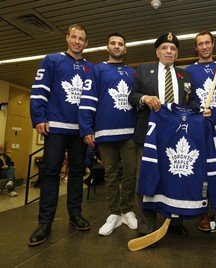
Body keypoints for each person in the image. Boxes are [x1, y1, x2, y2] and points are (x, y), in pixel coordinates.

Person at [128, 32, 210, 239]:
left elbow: (191, 103)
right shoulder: (144, 70)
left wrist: (200, 110)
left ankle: (174, 222)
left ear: (177, 53)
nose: (169, 51)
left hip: (176, 136)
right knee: (145, 179)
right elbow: (132, 96)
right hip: (148, 134)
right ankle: (147, 227)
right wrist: (145, 98)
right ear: (157, 51)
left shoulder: (186, 76)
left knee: (175, 177)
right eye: (164, 48)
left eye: (173, 49)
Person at [29, 24, 92, 247]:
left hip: (80, 131)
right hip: (54, 126)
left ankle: (75, 215)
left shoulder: (90, 68)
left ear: (86, 43)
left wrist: (90, 127)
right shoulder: (52, 60)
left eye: (81, 38)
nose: (77, 41)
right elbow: (39, 89)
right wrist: (38, 117)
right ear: (67, 38)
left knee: (77, 172)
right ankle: (44, 222)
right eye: (73, 37)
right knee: (50, 173)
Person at [79, 32, 138, 236]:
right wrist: (86, 128)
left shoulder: (133, 73)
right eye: (113, 43)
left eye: (120, 44)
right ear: (107, 47)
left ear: (125, 48)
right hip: (104, 132)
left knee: (131, 173)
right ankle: (114, 213)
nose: (116, 46)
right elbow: (87, 99)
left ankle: (127, 210)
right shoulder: (97, 69)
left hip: (130, 131)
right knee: (110, 174)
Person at [185, 31, 216, 232]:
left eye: (208, 43)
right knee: (201, 173)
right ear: (196, 48)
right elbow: (186, 101)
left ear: (213, 45)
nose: (204, 47)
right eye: (200, 44)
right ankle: (202, 212)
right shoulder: (189, 71)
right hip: (200, 130)